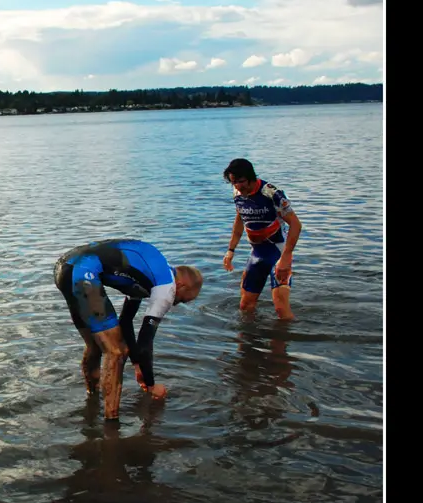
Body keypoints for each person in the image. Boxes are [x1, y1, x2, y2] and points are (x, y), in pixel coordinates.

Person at [53, 239, 203, 420]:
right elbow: (146, 341)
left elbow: (126, 321)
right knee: (116, 352)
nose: (177, 304)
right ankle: (111, 426)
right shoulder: (166, 288)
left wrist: (137, 364)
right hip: (83, 273)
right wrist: (151, 384)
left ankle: (92, 402)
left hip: (65, 268)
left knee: (95, 346)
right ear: (182, 286)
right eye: (183, 300)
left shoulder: (149, 275)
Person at [222, 158, 302, 320]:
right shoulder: (238, 194)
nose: (237, 186)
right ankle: (248, 343)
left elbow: (296, 224)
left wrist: (286, 257)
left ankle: (285, 341)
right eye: (233, 182)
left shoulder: (271, 193)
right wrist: (231, 250)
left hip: (278, 254)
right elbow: (240, 218)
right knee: (245, 307)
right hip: (257, 255)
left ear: (251, 177)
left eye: (241, 181)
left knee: (281, 310)